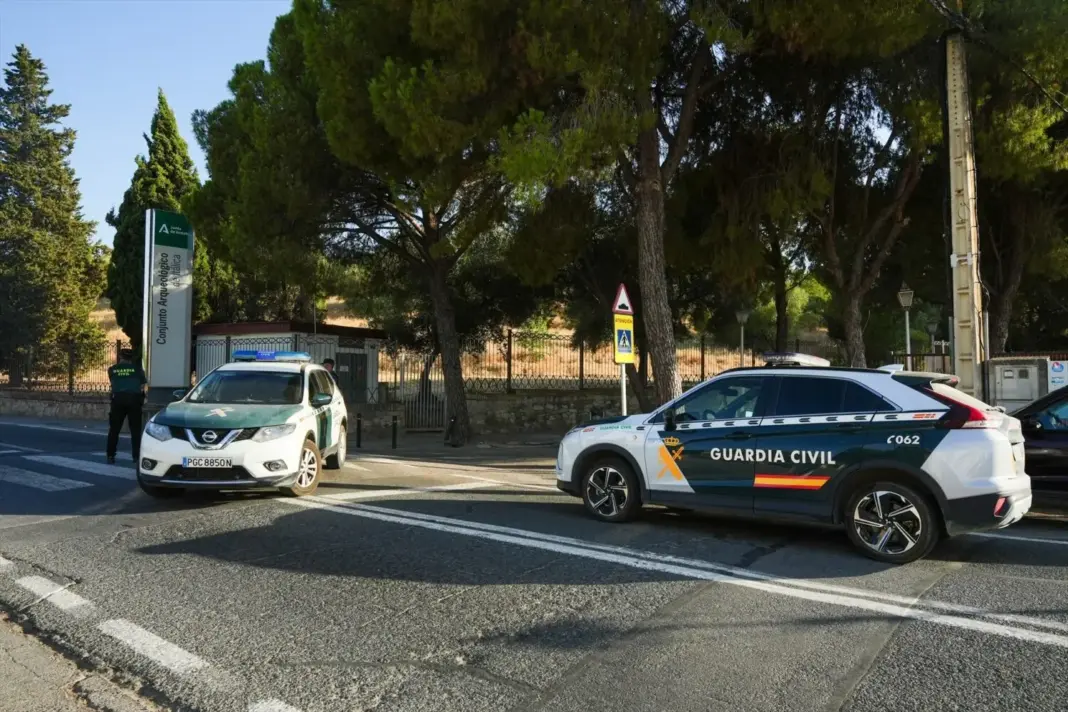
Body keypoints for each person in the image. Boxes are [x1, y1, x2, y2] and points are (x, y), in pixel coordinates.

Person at [107, 349, 147, 465]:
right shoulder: (138, 370)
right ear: (131, 358)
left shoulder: (112, 369)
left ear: (120, 357)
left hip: (118, 400)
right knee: (135, 430)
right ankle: (136, 456)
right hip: (134, 400)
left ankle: (110, 455)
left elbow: (113, 382)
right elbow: (142, 385)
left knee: (114, 429)